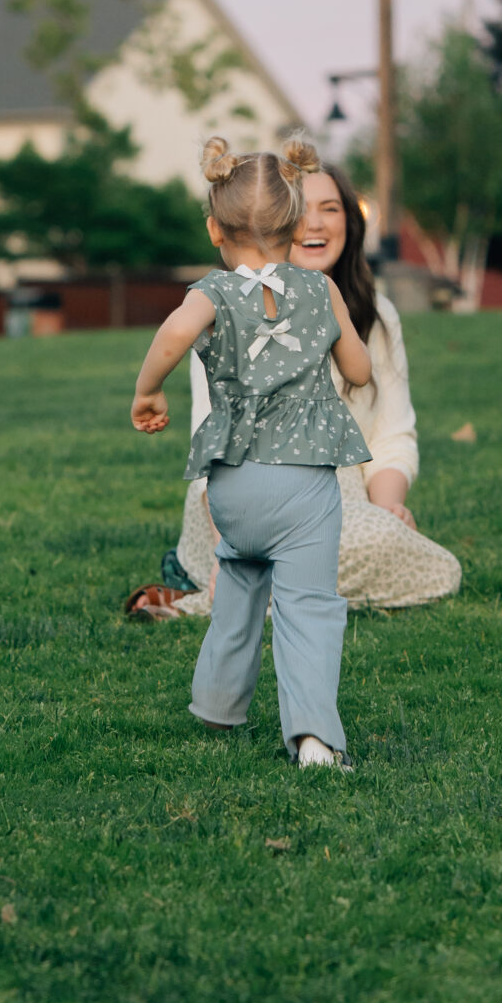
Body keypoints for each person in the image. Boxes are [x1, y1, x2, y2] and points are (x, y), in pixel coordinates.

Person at [131, 135, 373, 766]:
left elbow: (174, 333)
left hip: (233, 484)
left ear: (215, 228)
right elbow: (360, 368)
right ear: (296, 226)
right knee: (308, 606)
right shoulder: (321, 291)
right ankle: (314, 737)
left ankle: (216, 704)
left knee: (241, 576)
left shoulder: (211, 292)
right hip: (303, 484)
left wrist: (148, 391)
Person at [160, 159, 461, 615]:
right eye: (302, 209)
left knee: (420, 558)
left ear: (350, 223)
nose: (316, 223)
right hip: (234, 488)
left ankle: (260, 594)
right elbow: (214, 438)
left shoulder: (377, 317)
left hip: (339, 494)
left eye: (331, 208)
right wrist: (228, 548)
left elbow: (392, 436)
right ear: (273, 222)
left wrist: (389, 509)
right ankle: (237, 580)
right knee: (312, 553)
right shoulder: (228, 311)